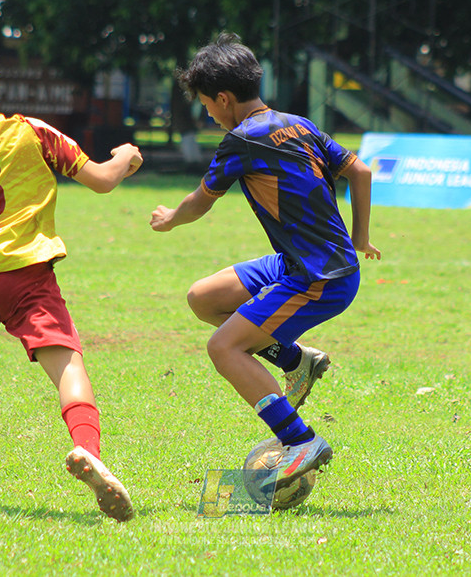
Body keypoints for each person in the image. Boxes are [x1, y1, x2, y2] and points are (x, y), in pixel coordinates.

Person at [0, 35, 143, 522]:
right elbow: (102, 179)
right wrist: (126, 156)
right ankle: (88, 451)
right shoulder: (31, 132)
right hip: (27, 274)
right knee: (67, 364)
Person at [149, 32, 381, 493]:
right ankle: (297, 360)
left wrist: (171, 218)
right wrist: (359, 238)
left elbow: (201, 201)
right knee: (204, 299)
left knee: (224, 348)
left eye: (207, 106)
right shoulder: (298, 124)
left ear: (224, 98)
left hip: (319, 278)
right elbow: (360, 170)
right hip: (299, 262)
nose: (208, 115)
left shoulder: (243, 139)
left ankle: (301, 441)